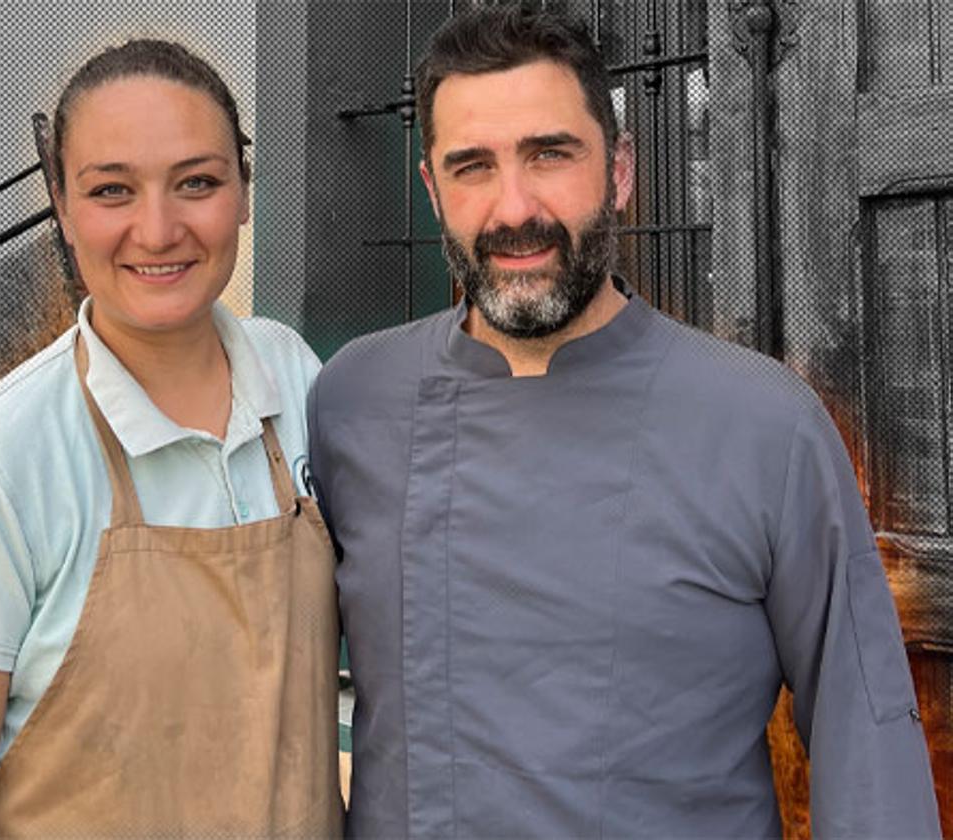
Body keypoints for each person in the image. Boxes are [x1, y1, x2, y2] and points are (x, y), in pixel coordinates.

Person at [306, 6, 940, 837]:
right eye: (472, 167)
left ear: (620, 170)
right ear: (431, 189)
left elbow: (870, 746)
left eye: (550, 154)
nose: (514, 207)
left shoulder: (764, 425)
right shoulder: (353, 398)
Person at [0, 39, 342, 838]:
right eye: (112, 190)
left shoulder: (296, 381)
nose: (157, 231)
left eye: (197, 183)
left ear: (245, 192)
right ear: (61, 204)